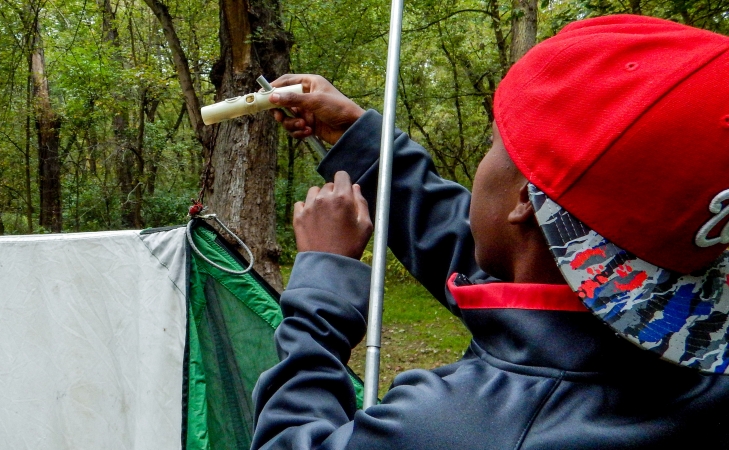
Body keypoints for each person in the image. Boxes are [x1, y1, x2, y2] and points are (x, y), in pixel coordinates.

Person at [251, 14, 729, 449]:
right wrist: (360, 137)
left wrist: (323, 282)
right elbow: (514, 270)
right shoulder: (685, 359)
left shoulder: (457, 427)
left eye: (495, 144)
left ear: (525, 199)